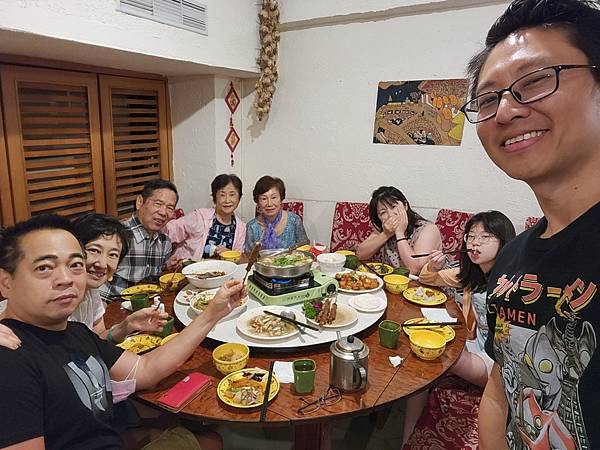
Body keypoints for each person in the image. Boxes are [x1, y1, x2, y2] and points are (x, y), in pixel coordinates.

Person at [461, 1, 600, 448]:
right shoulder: (511, 262)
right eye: (487, 99)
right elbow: (500, 393)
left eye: (536, 80)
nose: (505, 111)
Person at [0, 213, 244, 449]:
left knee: (209, 439)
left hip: (111, 436)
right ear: (5, 282)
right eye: (44, 267)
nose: (65, 278)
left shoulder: (77, 332)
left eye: (75, 265)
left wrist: (213, 313)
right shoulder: (10, 357)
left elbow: (146, 369)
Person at [0, 213, 167, 347]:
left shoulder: (90, 293)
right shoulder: (38, 305)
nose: (102, 264)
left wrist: (126, 326)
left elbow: (96, 340)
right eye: (94, 250)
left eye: (113, 255)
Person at [419, 211, 516, 386]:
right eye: (471, 236)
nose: (475, 242)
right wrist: (433, 266)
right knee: (425, 339)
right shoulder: (471, 275)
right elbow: (427, 278)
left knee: (434, 353)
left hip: (498, 362)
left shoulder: (512, 284)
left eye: (485, 237)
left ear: (504, 242)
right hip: (474, 345)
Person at [99, 179, 180, 302]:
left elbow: (154, 276)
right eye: (158, 204)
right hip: (111, 305)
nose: (163, 212)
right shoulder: (117, 235)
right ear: (139, 202)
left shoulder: (164, 242)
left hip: (146, 304)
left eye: (170, 208)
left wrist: (166, 265)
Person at [356, 186, 442, 274]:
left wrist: (399, 233)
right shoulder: (384, 228)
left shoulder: (428, 229)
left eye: (393, 207)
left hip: (422, 282)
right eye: (383, 212)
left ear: (405, 205)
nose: (390, 214)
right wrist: (386, 234)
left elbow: (415, 269)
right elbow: (360, 254)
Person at [165, 174, 246, 260]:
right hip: (189, 266)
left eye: (232, 195)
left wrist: (228, 253)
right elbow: (170, 231)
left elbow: (238, 257)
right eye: (222, 195)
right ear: (215, 197)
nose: (227, 200)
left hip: (223, 268)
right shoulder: (199, 217)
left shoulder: (241, 228)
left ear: (239, 197)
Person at [245, 175, 309, 251]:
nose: (269, 204)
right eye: (264, 199)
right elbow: (249, 255)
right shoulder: (252, 227)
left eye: (274, 197)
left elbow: (305, 248)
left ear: (281, 199)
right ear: (258, 203)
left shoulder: (294, 221)